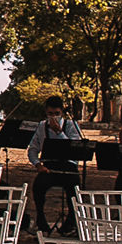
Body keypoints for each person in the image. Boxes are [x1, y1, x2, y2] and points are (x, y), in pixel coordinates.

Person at [28, 95, 84, 236]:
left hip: (68, 165)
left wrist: (59, 132)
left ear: (62, 113)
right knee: (38, 186)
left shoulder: (70, 125)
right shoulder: (41, 126)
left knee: (74, 188)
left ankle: (71, 222)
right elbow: (33, 148)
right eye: (50, 114)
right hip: (49, 166)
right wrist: (37, 164)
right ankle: (41, 222)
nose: (53, 117)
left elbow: (74, 147)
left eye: (57, 114)